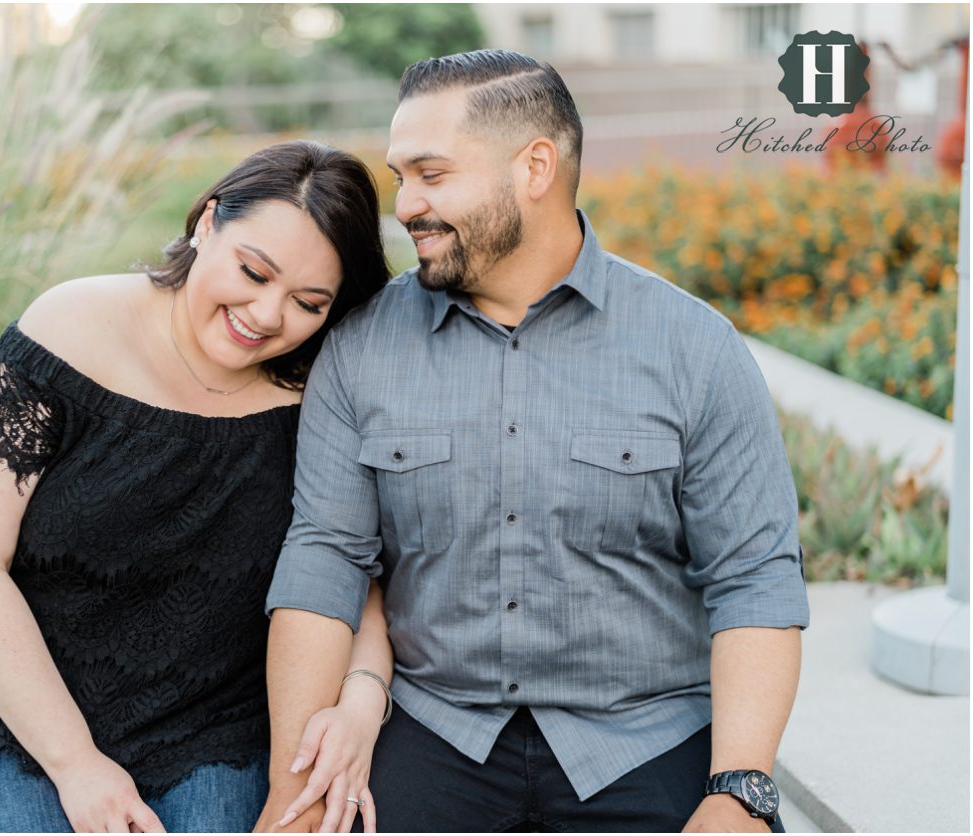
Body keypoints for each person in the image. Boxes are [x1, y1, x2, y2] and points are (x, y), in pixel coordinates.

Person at [259, 50, 810, 833]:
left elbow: (754, 578)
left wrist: (740, 790)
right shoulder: (361, 348)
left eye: (432, 174)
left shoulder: (695, 349)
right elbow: (327, 560)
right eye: (399, 177)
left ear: (535, 167)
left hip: (644, 737)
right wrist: (298, 784)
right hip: (435, 726)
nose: (406, 205)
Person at [0, 140, 394, 833]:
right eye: (253, 272)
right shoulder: (65, 330)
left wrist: (359, 704)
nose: (266, 315)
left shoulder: (319, 393)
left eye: (308, 302)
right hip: (15, 718)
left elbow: (354, 576)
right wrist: (76, 763)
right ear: (207, 223)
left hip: (210, 730)